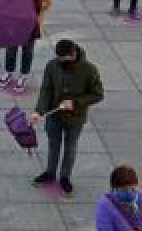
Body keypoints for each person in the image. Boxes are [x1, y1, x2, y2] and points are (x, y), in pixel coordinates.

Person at [29, 39, 103, 194]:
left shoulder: (89, 70)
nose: (61, 62)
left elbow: (98, 94)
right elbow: (46, 90)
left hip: (75, 118)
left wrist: (76, 102)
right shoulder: (52, 66)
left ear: (73, 53)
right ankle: (50, 173)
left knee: (70, 148)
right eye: (59, 58)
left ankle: (65, 177)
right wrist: (39, 111)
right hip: (55, 115)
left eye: (65, 59)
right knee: (53, 145)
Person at [0, 0, 52, 93]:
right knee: (11, 48)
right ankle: (8, 72)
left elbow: (48, 1)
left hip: (32, 23)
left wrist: (36, 2)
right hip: (15, 21)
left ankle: (24, 76)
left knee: (27, 51)